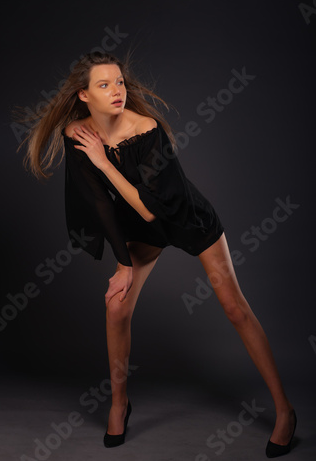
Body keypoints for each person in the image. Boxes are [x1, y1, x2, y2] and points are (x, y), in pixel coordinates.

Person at [19, 51, 296, 456]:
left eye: (119, 82)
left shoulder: (146, 129)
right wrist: (123, 264)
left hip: (185, 217)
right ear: (83, 95)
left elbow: (152, 207)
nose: (117, 91)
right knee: (116, 306)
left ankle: (285, 410)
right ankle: (119, 404)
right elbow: (99, 204)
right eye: (104, 84)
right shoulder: (77, 133)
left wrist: (103, 161)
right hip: (140, 228)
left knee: (235, 308)